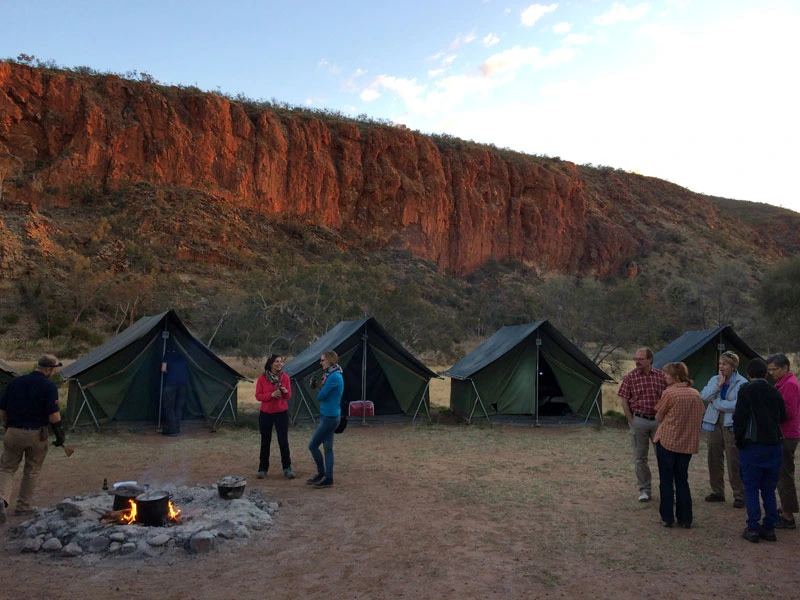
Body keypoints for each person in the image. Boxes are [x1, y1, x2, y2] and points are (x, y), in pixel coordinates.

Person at [0, 354, 66, 523]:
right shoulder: (49, 386)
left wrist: (8, 427)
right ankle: (24, 506)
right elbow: (53, 415)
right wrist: (59, 433)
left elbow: (3, 410)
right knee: (32, 470)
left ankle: (1, 500)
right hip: (36, 434)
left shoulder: (16, 382)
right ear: (49, 369)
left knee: (7, 468)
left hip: (13, 432)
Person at [733, 358, 786, 543]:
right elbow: (783, 416)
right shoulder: (774, 391)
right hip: (774, 446)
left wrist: (739, 441)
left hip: (753, 445)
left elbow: (739, 419)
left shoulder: (746, 390)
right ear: (765, 373)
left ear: (749, 374)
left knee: (751, 488)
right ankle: (770, 527)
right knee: (769, 490)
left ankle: (753, 527)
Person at [653, 362, 705, 528]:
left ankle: (667, 517)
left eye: (667, 374)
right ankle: (685, 518)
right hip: (687, 443)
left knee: (666, 480)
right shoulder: (695, 394)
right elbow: (700, 414)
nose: (665, 377)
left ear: (675, 377)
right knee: (682, 479)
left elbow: (658, 417)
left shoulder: (669, 393)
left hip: (668, 441)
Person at [618, 347, 668, 502]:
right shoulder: (630, 377)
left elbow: (669, 397)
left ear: (650, 360)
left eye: (640, 359)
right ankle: (645, 490)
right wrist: (631, 421)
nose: (637, 362)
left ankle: (668, 491)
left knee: (665, 457)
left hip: (658, 421)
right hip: (639, 419)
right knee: (640, 458)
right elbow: (625, 400)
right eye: (636, 359)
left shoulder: (661, 376)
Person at [700, 350, 747, 508]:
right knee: (714, 457)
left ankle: (739, 494)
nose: (721, 367)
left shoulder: (742, 383)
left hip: (731, 424)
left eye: (725, 364)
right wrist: (718, 385)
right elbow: (705, 396)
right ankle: (717, 491)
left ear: (733, 366)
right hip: (714, 422)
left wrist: (718, 403)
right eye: (720, 364)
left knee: (733, 459)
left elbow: (737, 405)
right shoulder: (715, 379)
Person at [766, 354, 800, 530]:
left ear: (785, 367)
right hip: (783, 433)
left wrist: (768, 415)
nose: (771, 373)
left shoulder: (790, 385)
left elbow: (788, 412)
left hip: (786, 434)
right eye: (769, 369)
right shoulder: (783, 384)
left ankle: (788, 516)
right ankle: (785, 507)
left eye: (774, 369)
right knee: (782, 473)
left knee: (784, 475)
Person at [255, 354, 294, 480]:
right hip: (266, 413)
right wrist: (271, 394)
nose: (279, 364)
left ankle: (287, 468)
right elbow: (258, 396)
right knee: (265, 441)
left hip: (281, 413)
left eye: (281, 361)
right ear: (271, 363)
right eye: (277, 361)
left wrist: (285, 392)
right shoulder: (262, 378)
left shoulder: (285, 378)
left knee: (283, 441)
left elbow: (288, 396)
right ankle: (262, 469)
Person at [307, 350, 343, 489]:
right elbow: (324, 393)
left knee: (313, 445)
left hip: (330, 417)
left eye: (323, 360)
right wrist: (317, 387)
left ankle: (323, 474)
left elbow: (321, 396)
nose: (321, 362)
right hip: (328, 414)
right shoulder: (330, 375)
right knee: (328, 448)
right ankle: (327, 476)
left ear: (330, 361)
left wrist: (319, 389)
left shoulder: (334, 377)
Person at [161, 345, 188, 435]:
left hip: (171, 383)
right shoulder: (182, 354)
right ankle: (177, 427)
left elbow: (163, 369)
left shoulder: (167, 355)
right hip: (183, 384)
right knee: (179, 407)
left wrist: (169, 373)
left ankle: (172, 430)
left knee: (169, 406)